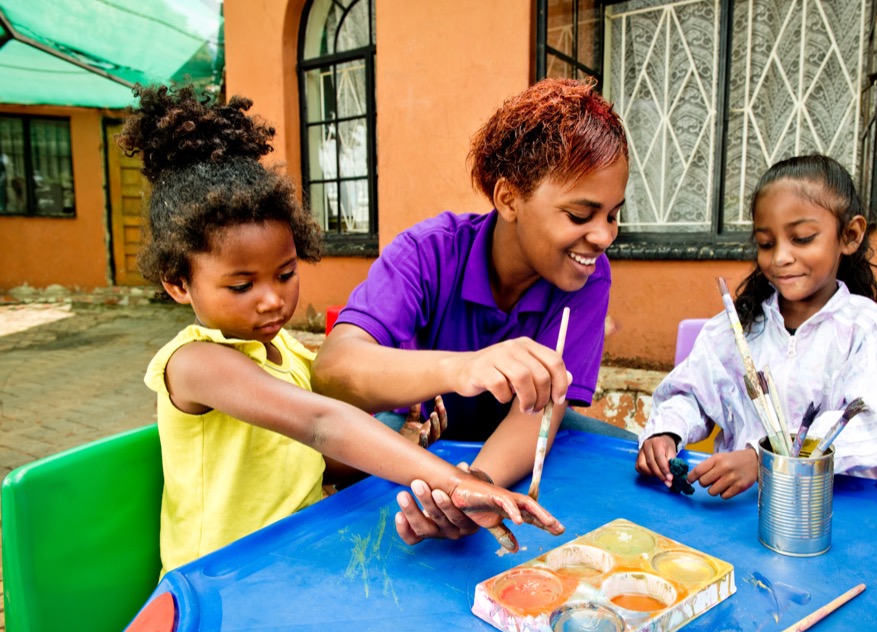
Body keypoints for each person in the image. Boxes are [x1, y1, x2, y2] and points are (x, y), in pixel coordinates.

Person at [118, 84, 564, 576]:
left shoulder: (286, 351)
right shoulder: (196, 364)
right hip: (218, 581)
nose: (272, 298)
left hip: (296, 555)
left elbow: (319, 460)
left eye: (285, 274)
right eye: (242, 285)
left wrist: (412, 443)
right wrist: (462, 483)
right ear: (179, 284)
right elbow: (322, 422)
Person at [311, 78, 631, 545]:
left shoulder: (586, 274)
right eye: (580, 216)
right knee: (363, 466)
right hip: (419, 425)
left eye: (613, 215)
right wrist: (461, 368)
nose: (603, 236)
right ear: (508, 199)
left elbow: (537, 418)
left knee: (629, 457)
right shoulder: (427, 253)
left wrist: (476, 485)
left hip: (512, 438)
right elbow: (332, 369)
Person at [636, 154, 877, 498]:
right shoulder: (737, 329)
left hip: (848, 513)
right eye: (766, 244)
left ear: (850, 235)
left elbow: (871, 423)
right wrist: (666, 433)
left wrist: (766, 458)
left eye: (802, 238)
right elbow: (692, 393)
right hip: (746, 510)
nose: (780, 257)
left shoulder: (872, 332)